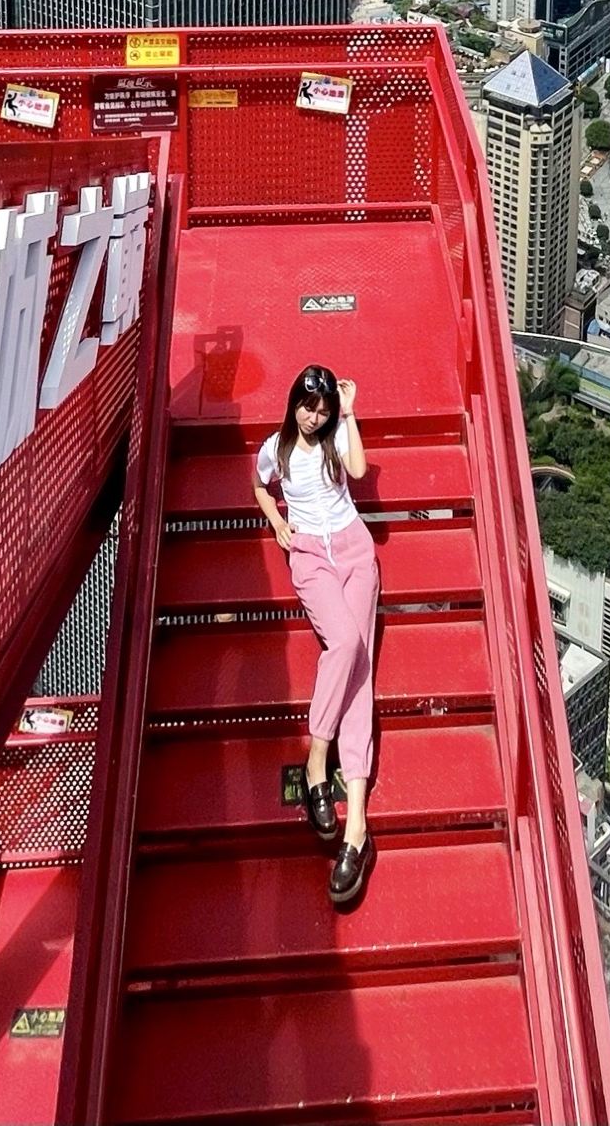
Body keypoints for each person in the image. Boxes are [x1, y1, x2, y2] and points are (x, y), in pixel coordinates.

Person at [253, 362, 377, 906]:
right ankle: (315, 760)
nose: (313, 416)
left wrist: (349, 415)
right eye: (307, 407)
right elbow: (258, 484)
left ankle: (357, 827)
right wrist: (278, 522)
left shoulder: (334, 438)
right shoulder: (275, 450)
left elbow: (359, 465)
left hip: (354, 549)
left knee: (359, 673)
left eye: (322, 409)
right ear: (292, 404)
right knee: (345, 646)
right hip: (310, 557)